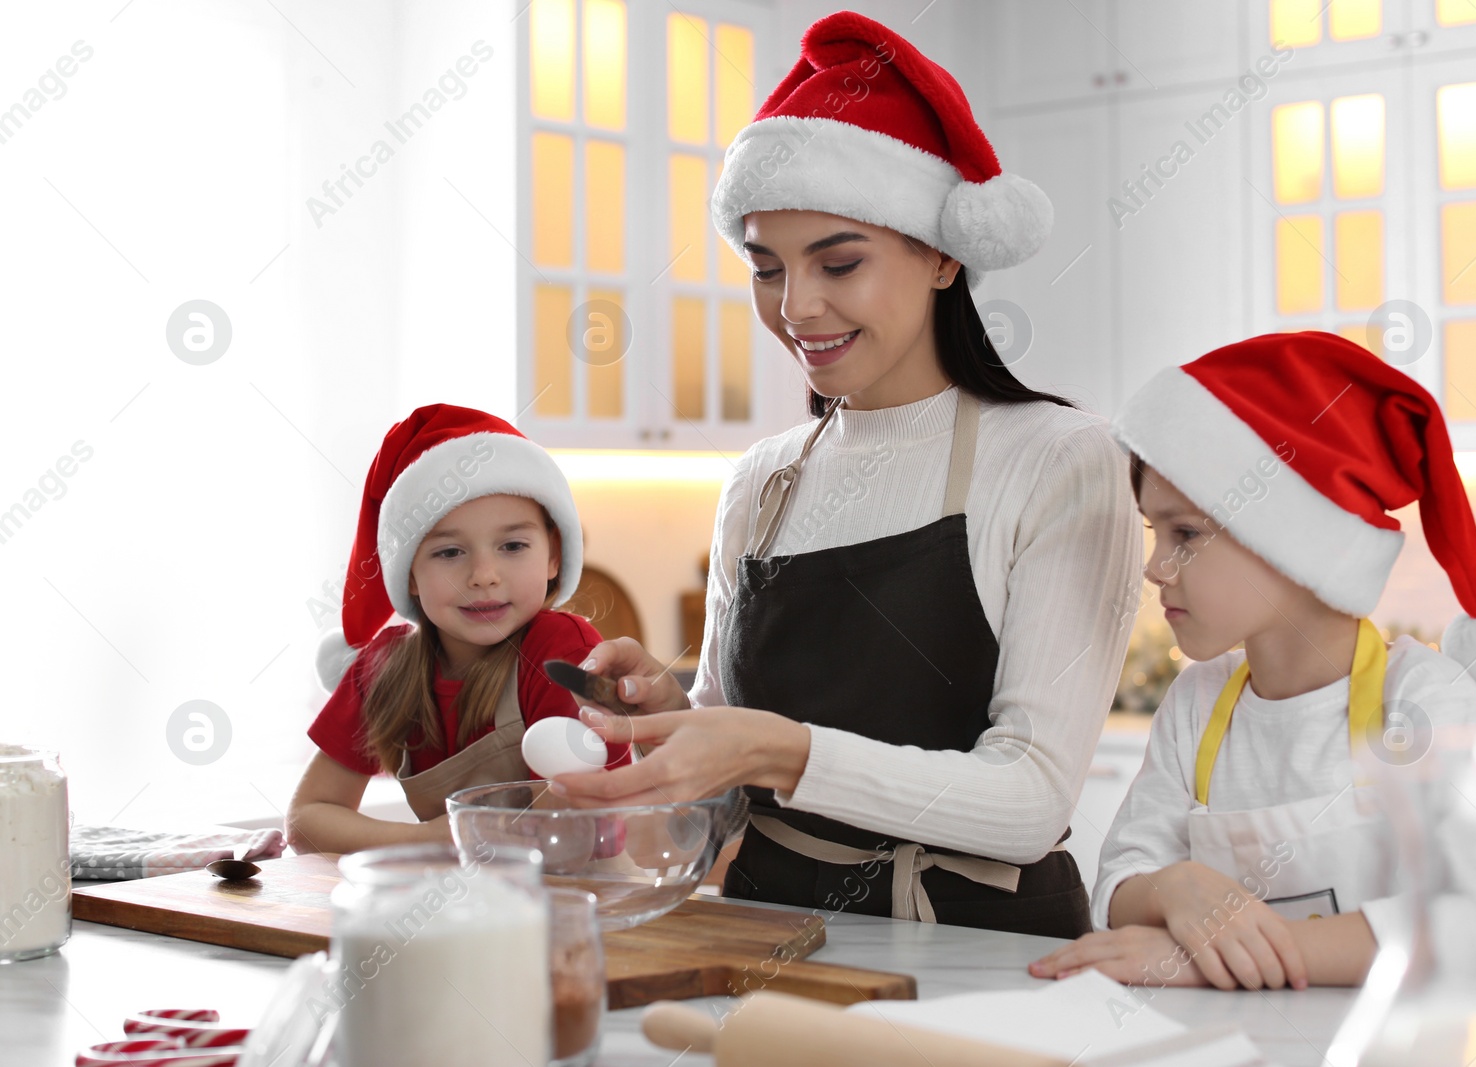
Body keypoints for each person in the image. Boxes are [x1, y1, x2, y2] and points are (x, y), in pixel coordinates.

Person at [550, 11, 1143, 938]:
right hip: (765, 928)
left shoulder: (1060, 458)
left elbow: (1028, 797)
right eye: (765, 267)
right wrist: (670, 714)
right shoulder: (761, 480)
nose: (796, 307)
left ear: (944, 252)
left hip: (975, 946)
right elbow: (733, 746)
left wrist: (775, 750)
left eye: (839, 262)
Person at [1028, 332, 1476, 988]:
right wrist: (1175, 886)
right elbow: (1120, 884)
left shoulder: (1424, 700)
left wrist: (1203, 957)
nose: (1156, 566)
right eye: (1155, 533)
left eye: (1185, 533)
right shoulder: (1196, 704)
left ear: (1297, 544)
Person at [286, 404, 628, 855]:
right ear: (408, 573)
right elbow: (307, 822)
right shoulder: (384, 668)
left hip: (585, 908)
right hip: (461, 908)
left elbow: (565, 838)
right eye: (449, 552)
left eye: (512, 545)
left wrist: (435, 842)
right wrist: (435, 838)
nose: (483, 575)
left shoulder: (562, 650)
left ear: (553, 556)